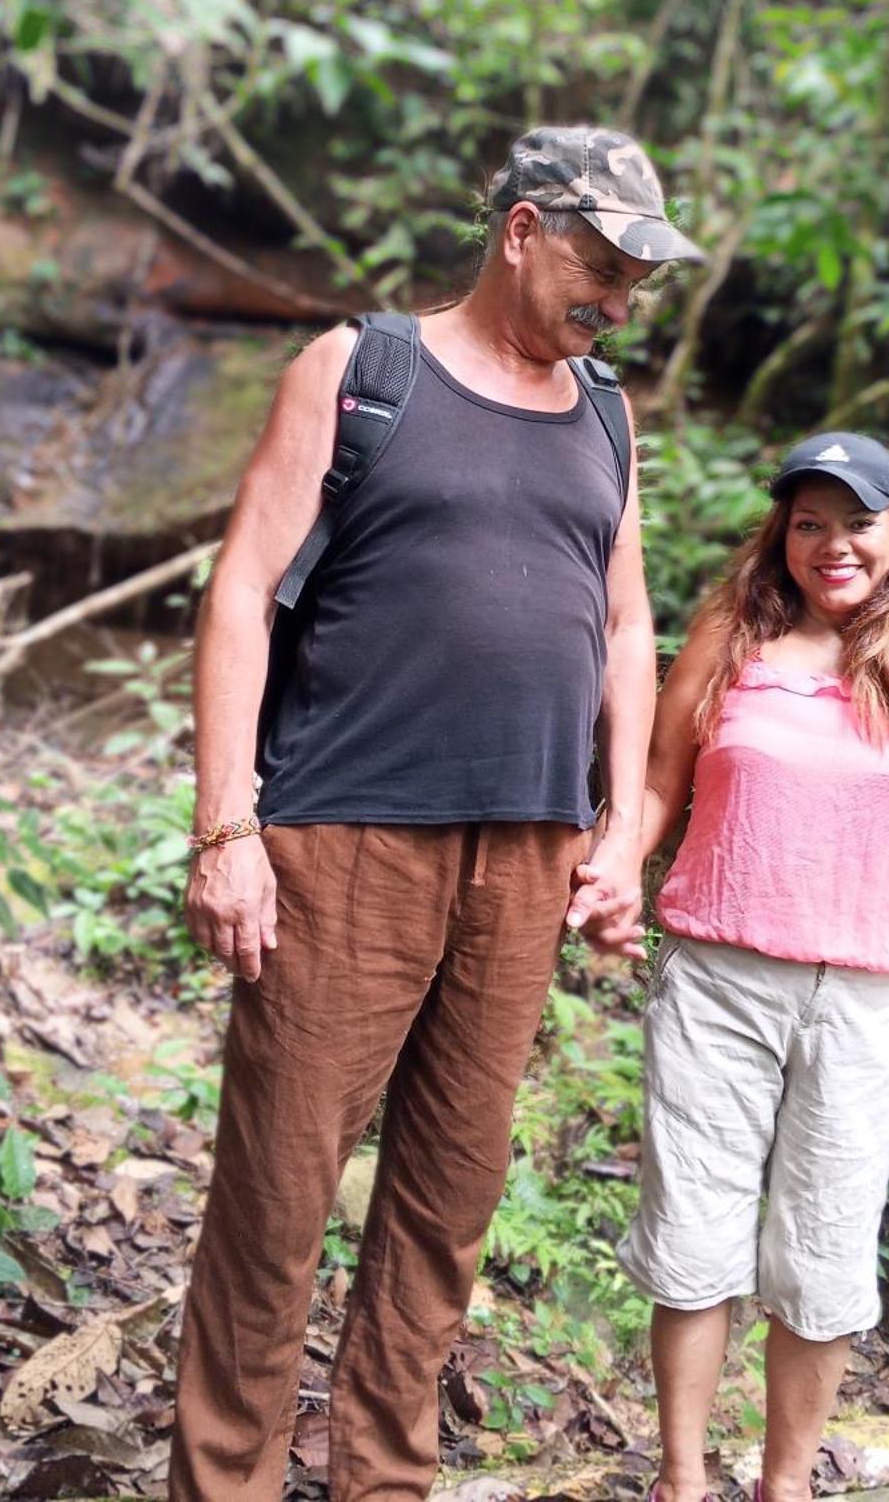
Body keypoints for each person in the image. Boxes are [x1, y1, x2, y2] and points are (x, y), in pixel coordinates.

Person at [168, 127, 702, 1502]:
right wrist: (226, 830)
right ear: (523, 230)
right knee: (280, 1198)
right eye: (602, 264)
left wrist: (623, 828)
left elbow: (628, 620)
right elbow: (241, 591)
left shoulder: (605, 410)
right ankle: (222, 1482)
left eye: (640, 279)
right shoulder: (362, 372)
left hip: (525, 849)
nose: (619, 300)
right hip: (349, 836)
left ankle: (382, 1481)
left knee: (445, 1204)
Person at [617, 432, 889, 1502]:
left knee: (824, 1252)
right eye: (810, 522)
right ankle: (682, 1479)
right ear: (782, 534)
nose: (834, 543)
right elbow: (658, 783)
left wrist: (882, 649)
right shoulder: (728, 639)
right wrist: (610, 873)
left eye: (858, 522)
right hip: (718, 979)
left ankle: (784, 1485)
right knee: (694, 1230)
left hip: (861, 997)